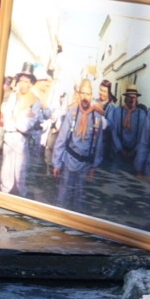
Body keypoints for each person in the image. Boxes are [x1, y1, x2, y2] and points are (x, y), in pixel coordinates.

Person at [50, 80, 108, 210]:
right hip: (69, 161)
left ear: (91, 96)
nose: (85, 97)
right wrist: (57, 164)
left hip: (85, 166)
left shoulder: (97, 117)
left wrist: (94, 167)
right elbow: (61, 139)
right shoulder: (72, 113)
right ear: (79, 94)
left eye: (88, 94)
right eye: (83, 93)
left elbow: (98, 145)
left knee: (79, 200)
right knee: (62, 197)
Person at [0, 66, 46, 196]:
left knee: (20, 174)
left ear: (31, 84)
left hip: (21, 140)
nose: (23, 84)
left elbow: (27, 125)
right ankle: (4, 194)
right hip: (9, 137)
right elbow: (6, 117)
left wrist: (16, 119)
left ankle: (20, 197)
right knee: (6, 172)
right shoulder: (13, 97)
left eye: (26, 81)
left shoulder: (35, 101)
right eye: (21, 80)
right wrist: (17, 119)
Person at [110, 85, 150, 174]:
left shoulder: (142, 114)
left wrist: (134, 151)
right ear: (125, 98)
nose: (131, 100)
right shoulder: (117, 112)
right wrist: (120, 150)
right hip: (119, 154)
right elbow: (114, 133)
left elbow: (142, 136)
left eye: (133, 97)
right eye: (129, 97)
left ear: (137, 99)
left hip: (134, 155)